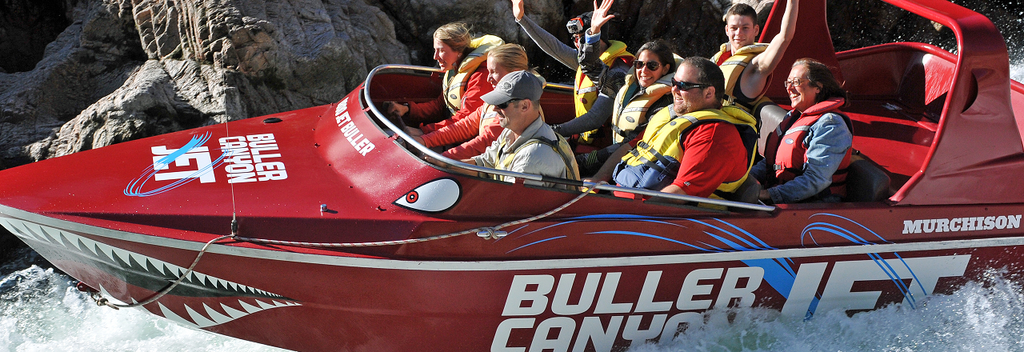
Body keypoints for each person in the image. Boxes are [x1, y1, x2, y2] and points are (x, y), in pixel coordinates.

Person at [590, 57, 758, 203]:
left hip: (659, 220)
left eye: (683, 85)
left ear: (709, 93)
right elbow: (630, 147)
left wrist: (624, 211)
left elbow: (680, 195)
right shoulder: (675, 115)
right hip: (622, 196)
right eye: (674, 83)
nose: (674, 90)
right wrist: (598, 179)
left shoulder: (715, 135)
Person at [509, 0, 633, 146]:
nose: (576, 43)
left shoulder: (619, 71)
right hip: (584, 140)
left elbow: (595, 119)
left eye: (581, 38)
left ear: (597, 38)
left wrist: (551, 130)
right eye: (574, 38)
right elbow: (553, 47)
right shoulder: (584, 61)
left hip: (603, 147)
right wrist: (521, 19)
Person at [750, 58, 853, 203]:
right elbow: (771, 162)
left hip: (811, 208)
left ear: (818, 87)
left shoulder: (831, 125)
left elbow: (815, 180)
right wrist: (747, 179)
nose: (789, 88)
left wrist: (769, 195)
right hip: (780, 195)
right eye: (788, 82)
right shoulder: (793, 117)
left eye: (796, 82)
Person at [411, 44, 535, 160]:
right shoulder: (494, 102)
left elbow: (484, 143)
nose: (488, 78)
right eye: (488, 71)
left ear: (514, 72)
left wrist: (444, 158)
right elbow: (465, 126)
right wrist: (425, 140)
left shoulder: (517, 108)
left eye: (494, 72)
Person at [464, 71, 580, 187]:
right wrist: (448, 166)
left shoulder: (532, 156)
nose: (494, 108)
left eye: (502, 104)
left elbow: (509, 199)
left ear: (525, 106)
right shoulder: (510, 132)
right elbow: (485, 163)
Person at [386, 22, 504, 134]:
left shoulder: (480, 77)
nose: (435, 57)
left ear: (458, 51)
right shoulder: (455, 70)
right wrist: (407, 109)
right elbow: (439, 106)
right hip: (451, 131)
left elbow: (466, 122)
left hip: (467, 139)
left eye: (441, 50)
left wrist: (425, 132)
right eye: (435, 50)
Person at [712, 0, 799, 112]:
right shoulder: (720, 57)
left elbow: (785, 37)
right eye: (734, 28)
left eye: (745, 28)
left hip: (730, 124)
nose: (739, 33)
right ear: (727, 30)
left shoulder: (756, 66)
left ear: (756, 30)